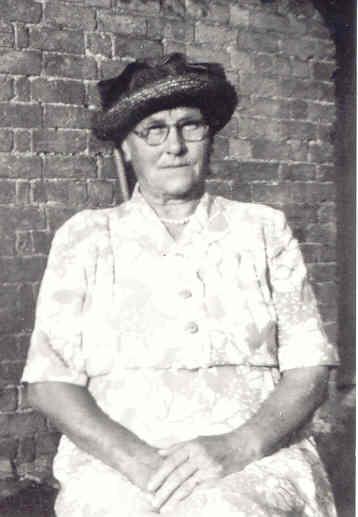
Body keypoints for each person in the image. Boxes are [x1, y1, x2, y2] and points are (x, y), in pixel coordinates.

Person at [22, 53, 339, 517]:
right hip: (119, 460)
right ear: (127, 148)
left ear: (209, 138)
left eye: (191, 126)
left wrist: (239, 446)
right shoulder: (86, 236)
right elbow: (50, 382)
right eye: (154, 129)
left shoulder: (262, 229)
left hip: (254, 455)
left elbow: (310, 367)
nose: (175, 146)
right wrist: (141, 463)